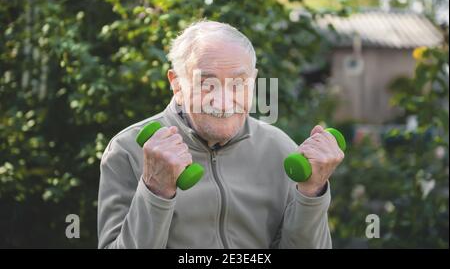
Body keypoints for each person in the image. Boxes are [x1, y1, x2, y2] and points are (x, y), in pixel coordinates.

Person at [97, 20, 344, 248]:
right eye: (207, 84)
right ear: (177, 85)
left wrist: (311, 193)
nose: (224, 102)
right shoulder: (127, 150)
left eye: (238, 83)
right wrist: (155, 191)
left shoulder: (280, 148)